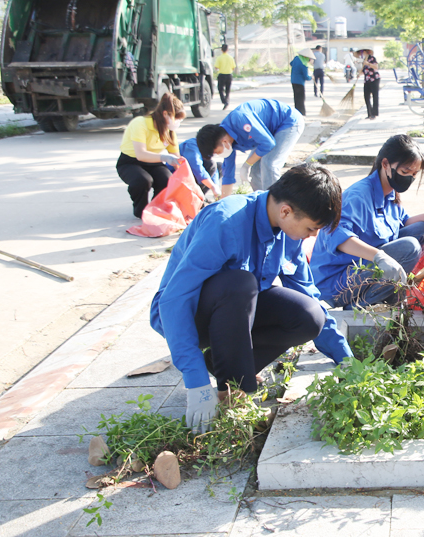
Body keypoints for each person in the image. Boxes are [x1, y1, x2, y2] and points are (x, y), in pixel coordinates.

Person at [151, 163, 352, 433]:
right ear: (286, 210)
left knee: (309, 315)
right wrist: (195, 381)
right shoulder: (226, 222)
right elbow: (175, 300)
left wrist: (348, 362)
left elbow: (308, 293)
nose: (313, 236)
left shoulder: (288, 231)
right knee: (240, 283)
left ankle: (226, 369)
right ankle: (234, 389)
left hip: (235, 311)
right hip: (189, 315)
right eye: (312, 228)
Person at [310, 134, 424, 308]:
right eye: (404, 172)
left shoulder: (389, 193)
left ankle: (391, 292)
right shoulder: (358, 196)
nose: (409, 178)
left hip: (363, 269)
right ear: (385, 164)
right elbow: (337, 238)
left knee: (423, 230)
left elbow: (402, 223)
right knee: (410, 247)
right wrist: (379, 257)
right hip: (337, 283)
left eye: (414, 174)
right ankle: (361, 304)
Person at [196, 99, 305, 196]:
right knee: (255, 172)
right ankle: (263, 203)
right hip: (265, 134)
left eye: (219, 152)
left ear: (224, 142)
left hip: (288, 122)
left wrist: (247, 164)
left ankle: (278, 202)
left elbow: (268, 143)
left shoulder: (240, 120)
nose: (221, 154)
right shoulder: (227, 142)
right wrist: (223, 202)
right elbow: (228, 175)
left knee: (269, 163)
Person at [116, 92, 185, 218]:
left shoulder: (170, 130)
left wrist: (184, 178)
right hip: (130, 162)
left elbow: (177, 158)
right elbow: (141, 154)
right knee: (143, 180)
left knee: (167, 179)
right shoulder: (140, 123)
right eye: (177, 118)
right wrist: (165, 158)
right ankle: (140, 209)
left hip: (153, 162)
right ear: (165, 114)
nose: (178, 122)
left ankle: (155, 208)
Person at [290, 48, 315, 116]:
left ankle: (296, 112)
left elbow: (291, 63)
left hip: (293, 81)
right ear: (305, 57)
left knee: (296, 98)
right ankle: (301, 114)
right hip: (300, 83)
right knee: (301, 99)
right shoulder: (304, 64)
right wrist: (311, 77)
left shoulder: (296, 58)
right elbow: (306, 77)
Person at [357, 48, 380, 120]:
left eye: (362, 52)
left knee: (375, 96)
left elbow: (376, 67)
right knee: (366, 96)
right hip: (367, 80)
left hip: (374, 79)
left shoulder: (372, 58)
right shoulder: (364, 61)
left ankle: (374, 113)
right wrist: (360, 73)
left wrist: (368, 64)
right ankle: (369, 113)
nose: (361, 54)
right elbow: (365, 71)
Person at [215, 44, 236, 110]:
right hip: (229, 75)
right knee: (227, 90)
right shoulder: (230, 58)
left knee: (220, 89)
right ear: (227, 50)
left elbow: (216, 67)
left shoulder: (219, 58)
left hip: (221, 75)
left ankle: (224, 101)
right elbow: (233, 68)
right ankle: (227, 101)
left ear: (221, 50)